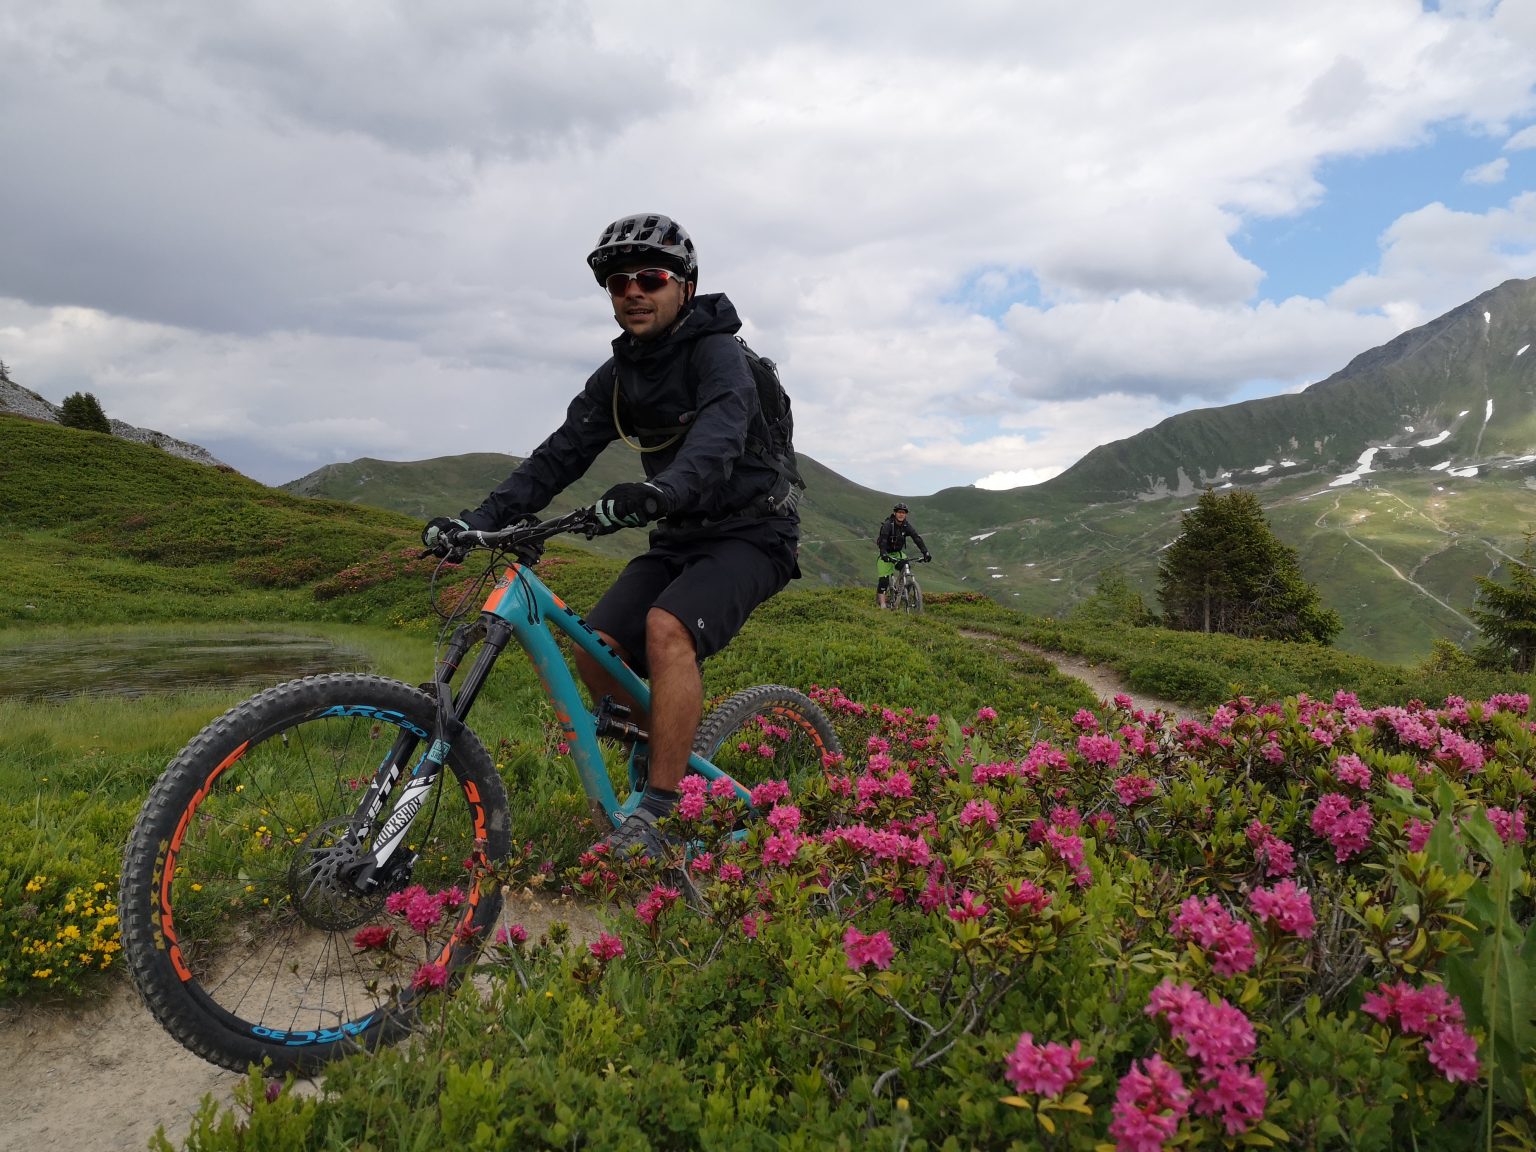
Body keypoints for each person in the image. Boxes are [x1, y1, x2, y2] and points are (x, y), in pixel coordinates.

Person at [422, 213, 800, 862]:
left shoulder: (718, 355)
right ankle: (663, 747)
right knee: (595, 649)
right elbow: (559, 457)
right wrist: (480, 519)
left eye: (651, 277)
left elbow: (720, 437)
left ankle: (658, 809)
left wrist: (662, 490)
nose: (633, 291)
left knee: (665, 630)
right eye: (618, 282)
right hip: (680, 532)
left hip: (754, 533)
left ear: (685, 285)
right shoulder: (622, 375)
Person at [875, 502, 929, 609]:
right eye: (899, 512)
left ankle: (902, 589)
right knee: (884, 580)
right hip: (885, 553)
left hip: (898, 554)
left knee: (906, 566)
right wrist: (884, 553)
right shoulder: (888, 525)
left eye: (903, 512)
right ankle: (882, 604)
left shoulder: (906, 526)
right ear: (894, 513)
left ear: (906, 514)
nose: (901, 514)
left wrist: (925, 552)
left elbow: (916, 538)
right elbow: (883, 540)